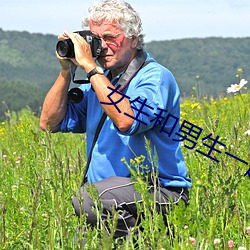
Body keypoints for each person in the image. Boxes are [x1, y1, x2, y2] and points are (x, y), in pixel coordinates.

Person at [40, 0, 192, 244]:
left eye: (110, 37)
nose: (102, 47)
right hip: (110, 199)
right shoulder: (100, 82)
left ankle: (146, 241)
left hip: (159, 191)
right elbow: (49, 123)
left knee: (88, 200)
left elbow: (127, 120)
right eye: (96, 39)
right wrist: (66, 70)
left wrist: (90, 67)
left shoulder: (154, 77)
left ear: (133, 39)